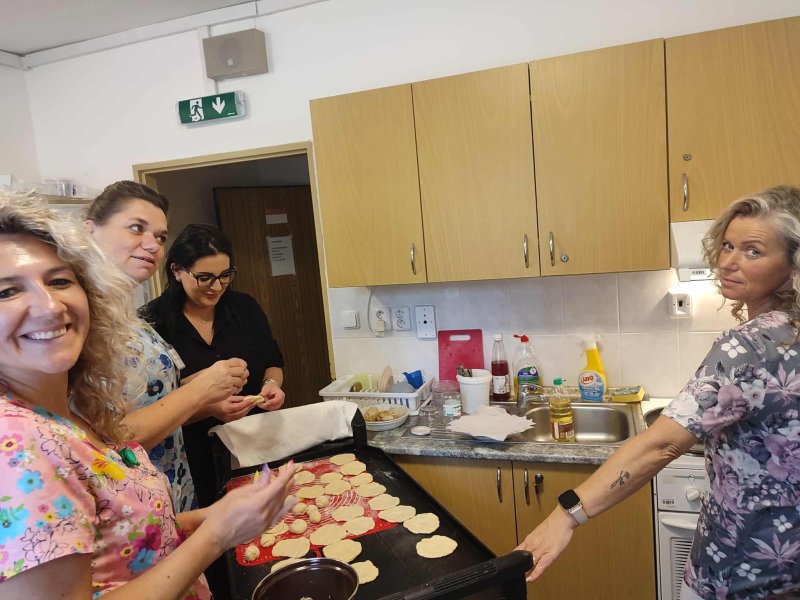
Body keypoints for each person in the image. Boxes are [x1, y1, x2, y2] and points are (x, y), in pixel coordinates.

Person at [0, 195, 296, 598]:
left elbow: (128, 539)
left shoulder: (70, 413)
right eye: (7, 291)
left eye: (59, 281)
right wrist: (217, 534)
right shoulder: (18, 447)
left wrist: (211, 517)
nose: (49, 306)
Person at [517, 185, 800, 599]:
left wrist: (565, 515)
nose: (729, 261)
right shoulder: (790, 333)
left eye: (753, 251)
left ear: (793, 265)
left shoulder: (749, 347)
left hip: (736, 572)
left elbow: (661, 444)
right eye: (728, 245)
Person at [85, 181, 252, 512]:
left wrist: (208, 385)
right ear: (90, 231)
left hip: (170, 489)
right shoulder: (79, 321)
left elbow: (150, 400)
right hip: (131, 507)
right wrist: (201, 390)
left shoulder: (126, 316)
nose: (152, 245)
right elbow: (108, 440)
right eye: (136, 228)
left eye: (160, 237)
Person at [141, 223, 286, 509]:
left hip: (254, 444)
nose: (217, 287)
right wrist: (210, 408)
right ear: (176, 271)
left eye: (225, 275)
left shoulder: (244, 308)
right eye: (204, 278)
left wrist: (272, 386)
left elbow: (273, 361)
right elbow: (151, 412)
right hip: (190, 458)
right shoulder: (151, 324)